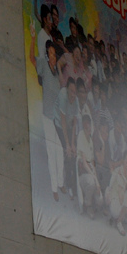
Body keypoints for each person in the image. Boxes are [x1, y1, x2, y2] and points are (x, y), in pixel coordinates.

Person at [30, 27, 64, 202]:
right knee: (52, 152)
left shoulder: (56, 74)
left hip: (55, 119)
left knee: (60, 150)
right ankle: (54, 188)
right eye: (50, 53)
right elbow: (32, 59)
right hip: (47, 117)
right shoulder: (43, 65)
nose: (53, 56)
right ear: (46, 54)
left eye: (54, 54)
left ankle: (61, 182)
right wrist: (32, 38)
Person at [54, 77, 80, 200]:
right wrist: (68, 144)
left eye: (75, 92)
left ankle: (73, 184)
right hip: (59, 125)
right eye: (71, 91)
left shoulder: (76, 101)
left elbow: (74, 123)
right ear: (67, 89)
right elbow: (63, 122)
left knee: (73, 153)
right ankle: (67, 183)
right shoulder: (63, 95)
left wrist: (73, 143)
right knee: (67, 151)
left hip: (69, 126)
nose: (73, 95)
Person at [105, 155, 127, 236]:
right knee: (116, 212)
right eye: (126, 163)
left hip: (121, 200)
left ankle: (119, 222)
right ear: (123, 162)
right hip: (114, 199)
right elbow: (110, 186)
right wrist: (109, 197)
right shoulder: (117, 171)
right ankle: (120, 217)